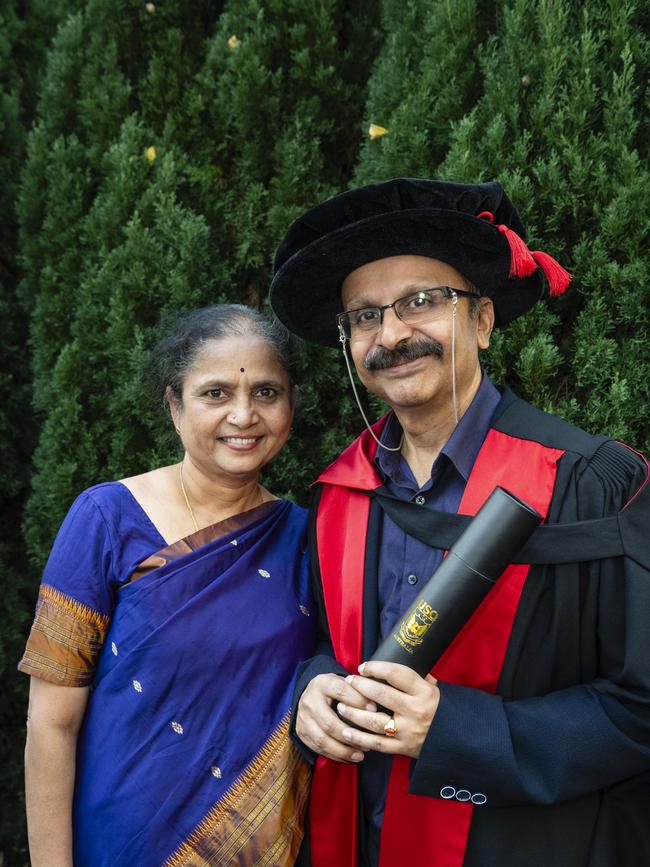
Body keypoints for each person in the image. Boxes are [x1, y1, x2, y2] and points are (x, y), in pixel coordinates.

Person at [268, 179, 650, 867]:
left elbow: (639, 707)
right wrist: (313, 691)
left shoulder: (589, 482)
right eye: (364, 315)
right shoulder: (340, 493)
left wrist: (457, 729)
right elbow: (331, 644)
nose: (391, 334)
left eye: (421, 301)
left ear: (481, 320)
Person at [19, 305, 315, 867]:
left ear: (291, 407)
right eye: (215, 394)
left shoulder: (307, 538)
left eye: (267, 394)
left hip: (259, 844)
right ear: (174, 405)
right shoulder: (107, 518)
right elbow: (52, 723)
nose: (244, 415)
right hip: (122, 840)